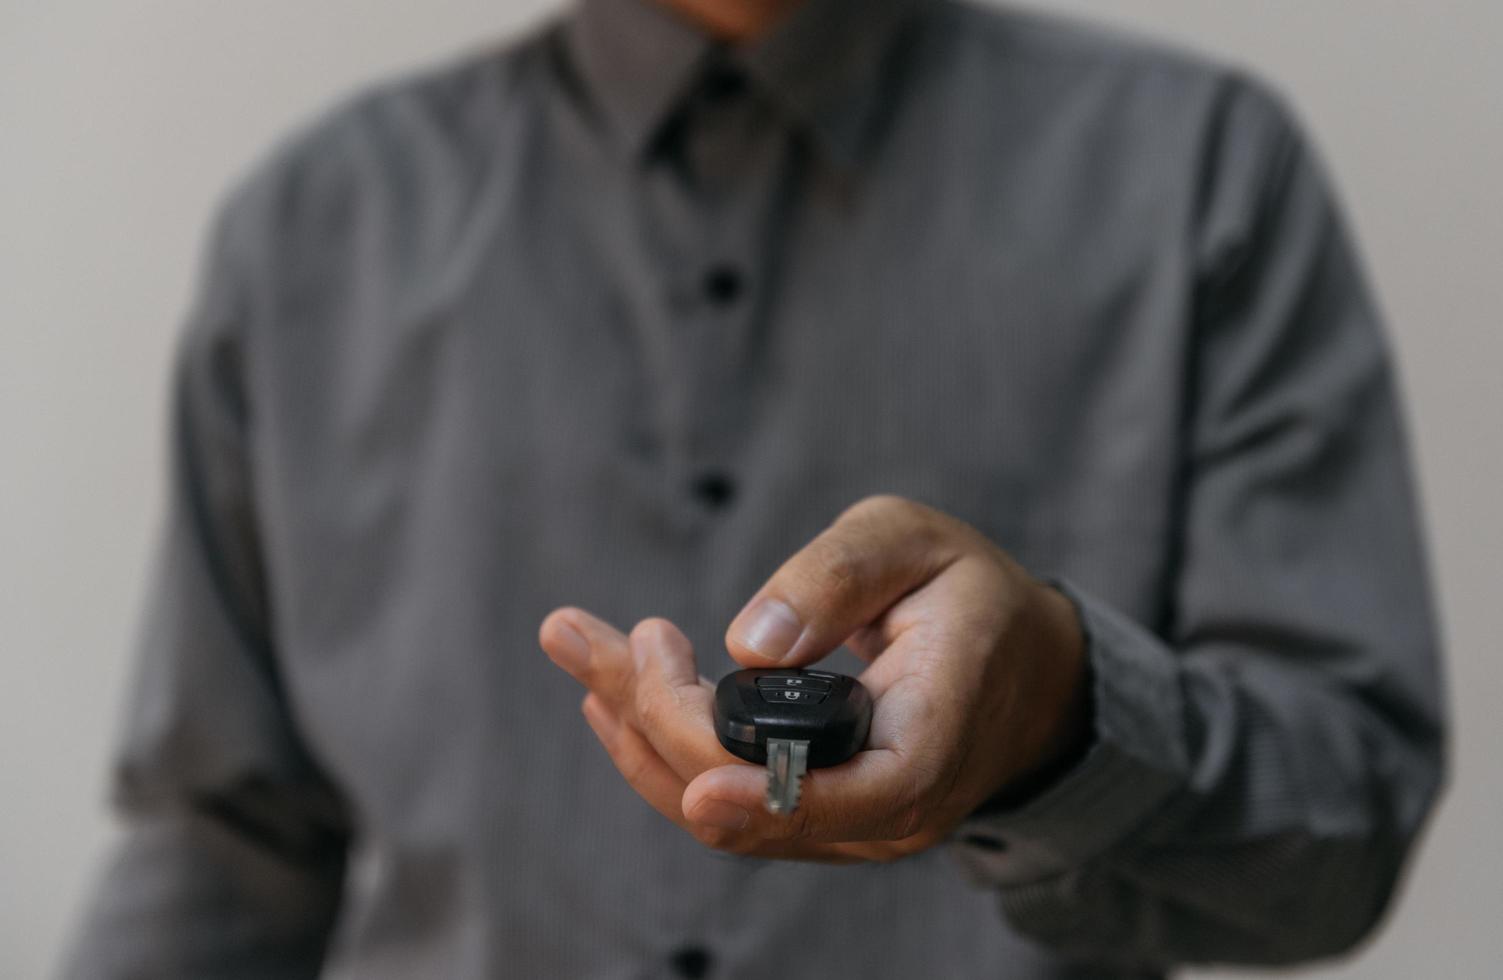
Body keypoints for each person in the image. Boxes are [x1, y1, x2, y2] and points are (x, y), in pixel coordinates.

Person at [60, 0, 1447, 976]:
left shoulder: (1202, 174)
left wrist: (1060, 716)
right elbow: (223, 853)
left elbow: (1346, 834)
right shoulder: (307, 234)